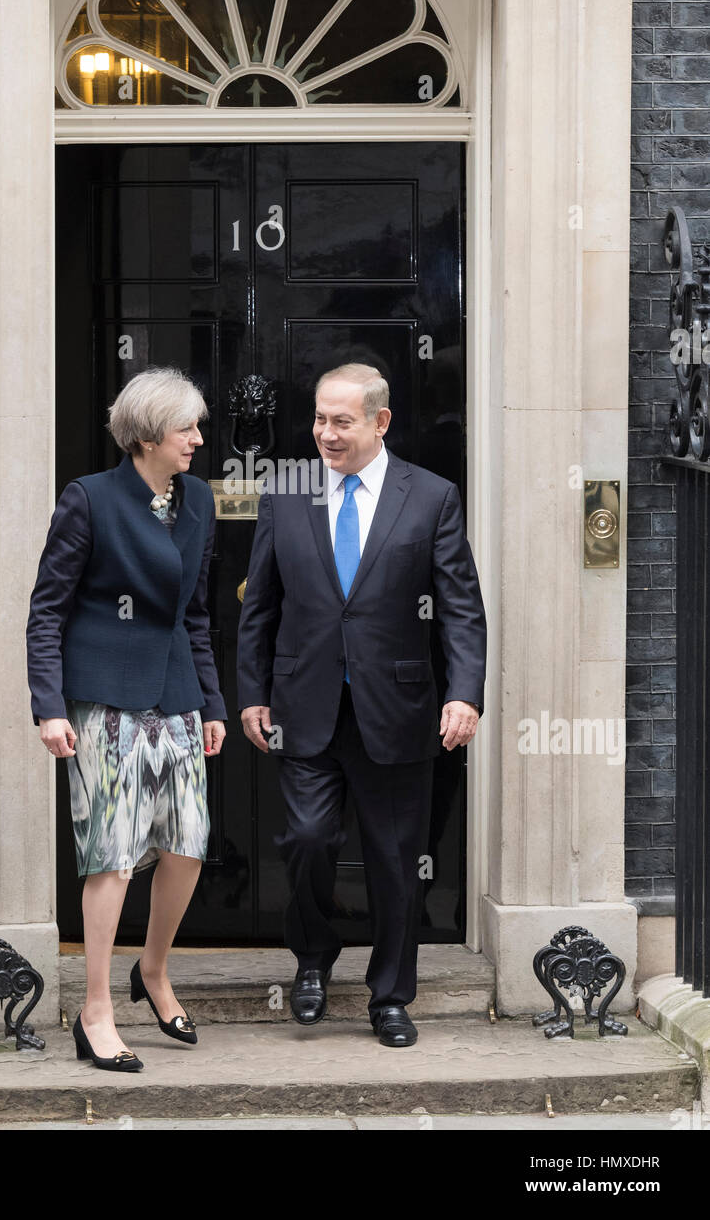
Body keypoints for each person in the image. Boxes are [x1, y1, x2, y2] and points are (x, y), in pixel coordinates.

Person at [237, 363, 486, 1047]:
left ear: (380, 422)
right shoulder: (285, 494)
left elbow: (461, 608)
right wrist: (251, 695)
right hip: (304, 703)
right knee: (309, 840)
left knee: (394, 859)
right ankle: (313, 958)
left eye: (340, 421)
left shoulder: (431, 496)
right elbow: (259, 607)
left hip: (399, 709)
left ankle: (390, 998)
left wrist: (464, 694)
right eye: (319, 418)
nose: (325, 433)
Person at [26, 367, 226, 1071]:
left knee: (188, 845)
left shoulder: (197, 500)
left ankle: (155, 970)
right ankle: (96, 1009)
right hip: (103, 700)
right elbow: (47, 610)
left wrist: (212, 702)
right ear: (145, 437)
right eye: (186, 429)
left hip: (175, 695)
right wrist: (49, 707)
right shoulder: (89, 501)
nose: (199, 440)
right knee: (111, 855)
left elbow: (195, 615)